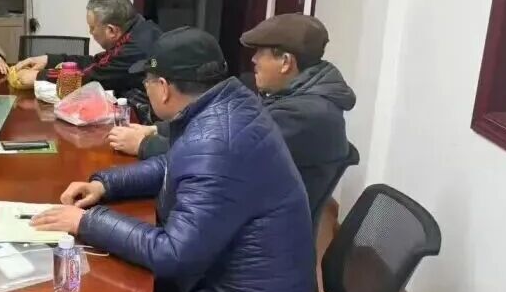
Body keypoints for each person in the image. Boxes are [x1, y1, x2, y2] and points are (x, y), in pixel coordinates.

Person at [32, 27, 314, 292]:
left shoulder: (216, 141)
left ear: (164, 88)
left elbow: (172, 254)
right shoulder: (228, 107)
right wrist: (105, 185)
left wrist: (86, 222)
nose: (146, 88)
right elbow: (175, 162)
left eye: (147, 81)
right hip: (230, 283)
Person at [108, 14, 356, 211]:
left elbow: (216, 153)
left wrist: (146, 145)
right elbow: (222, 124)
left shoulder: (306, 115)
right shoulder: (292, 96)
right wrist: (156, 129)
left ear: (286, 62)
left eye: (261, 53)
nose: (254, 60)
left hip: (259, 235)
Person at [12, 0, 161, 108]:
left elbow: (88, 77)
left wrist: (39, 76)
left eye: (92, 27)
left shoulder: (135, 49)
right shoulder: (138, 29)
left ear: (111, 30)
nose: (90, 32)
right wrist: (49, 60)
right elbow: (100, 62)